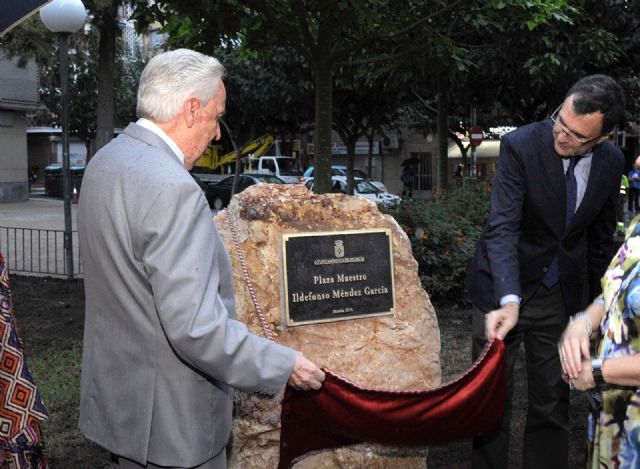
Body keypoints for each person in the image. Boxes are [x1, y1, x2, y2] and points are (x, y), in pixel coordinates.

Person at [77, 49, 325, 469]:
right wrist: (285, 366)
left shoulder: (104, 162)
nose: (215, 135)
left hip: (122, 409)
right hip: (174, 427)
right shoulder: (174, 188)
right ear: (191, 109)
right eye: (215, 116)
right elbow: (196, 330)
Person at [465, 74, 625, 469]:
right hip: (502, 290)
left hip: (560, 297)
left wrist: (600, 310)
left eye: (577, 136)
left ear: (602, 138)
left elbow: (602, 241)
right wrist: (509, 297)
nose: (562, 136)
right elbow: (503, 226)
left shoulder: (611, 162)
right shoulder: (520, 144)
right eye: (561, 121)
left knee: (552, 403)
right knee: (489, 401)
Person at [559, 215, 640, 467]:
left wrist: (597, 372)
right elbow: (613, 292)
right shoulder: (637, 224)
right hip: (612, 421)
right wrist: (582, 323)